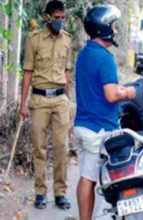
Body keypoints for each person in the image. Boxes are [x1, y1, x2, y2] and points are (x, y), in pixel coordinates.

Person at [74, 5, 136, 220]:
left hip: (82, 125)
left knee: (86, 177)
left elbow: (97, 88)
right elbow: (111, 94)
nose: (115, 30)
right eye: (112, 25)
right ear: (103, 29)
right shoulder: (104, 57)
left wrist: (122, 90)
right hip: (98, 129)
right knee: (101, 178)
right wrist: (128, 92)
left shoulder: (85, 53)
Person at [19, 0, 72, 210]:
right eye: (56, 18)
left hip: (60, 100)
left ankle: (60, 192)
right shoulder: (33, 40)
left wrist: (68, 101)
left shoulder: (67, 40)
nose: (60, 21)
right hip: (39, 99)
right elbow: (28, 73)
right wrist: (23, 104)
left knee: (61, 147)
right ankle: (40, 192)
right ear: (47, 17)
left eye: (62, 18)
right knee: (39, 148)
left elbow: (67, 72)